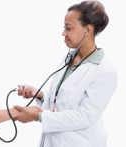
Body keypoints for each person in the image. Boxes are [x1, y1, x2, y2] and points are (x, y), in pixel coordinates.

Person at [14, 1, 118, 147]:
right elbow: (63, 101)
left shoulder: (105, 71)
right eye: (64, 28)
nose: (63, 33)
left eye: (68, 28)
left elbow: (84, 116)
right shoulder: (68, 58)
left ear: (87, 30)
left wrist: (36, 116)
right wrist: (41, 95)